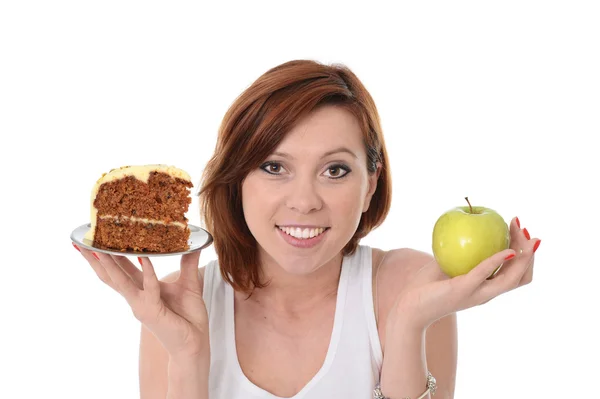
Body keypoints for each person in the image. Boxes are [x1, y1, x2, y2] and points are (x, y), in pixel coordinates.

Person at [74, 59, 541, 399]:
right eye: (274, 167)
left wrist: (407, 324)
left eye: (335, 170)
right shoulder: (176, 307)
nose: (304, 201)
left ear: (370, 182)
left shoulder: (412, 286)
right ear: (237, 180)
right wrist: (189, 357)